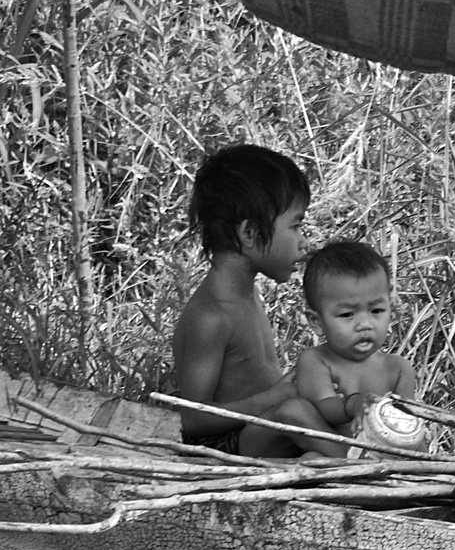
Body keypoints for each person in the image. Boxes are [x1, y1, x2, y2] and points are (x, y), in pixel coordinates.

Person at [172, 143, 340, 457]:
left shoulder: (246, 293)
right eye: (296, 226)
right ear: (250, 233)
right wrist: (275, 399)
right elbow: (192, 420)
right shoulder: (211, 317)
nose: (304, 243)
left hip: (258, 432)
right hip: (219, 448)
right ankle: (374, 468)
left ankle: (321, 463)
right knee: (294, 413)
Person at [295, 241, 417, 451]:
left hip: (386, 455)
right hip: (333, 450)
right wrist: (352, 404)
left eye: (377, 310)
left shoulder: (398, 369)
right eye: (347, 314)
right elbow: (320, 407)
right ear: (316, 322)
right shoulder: (315, 360)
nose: (364, 325)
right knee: (297, 416)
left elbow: (406, 423)